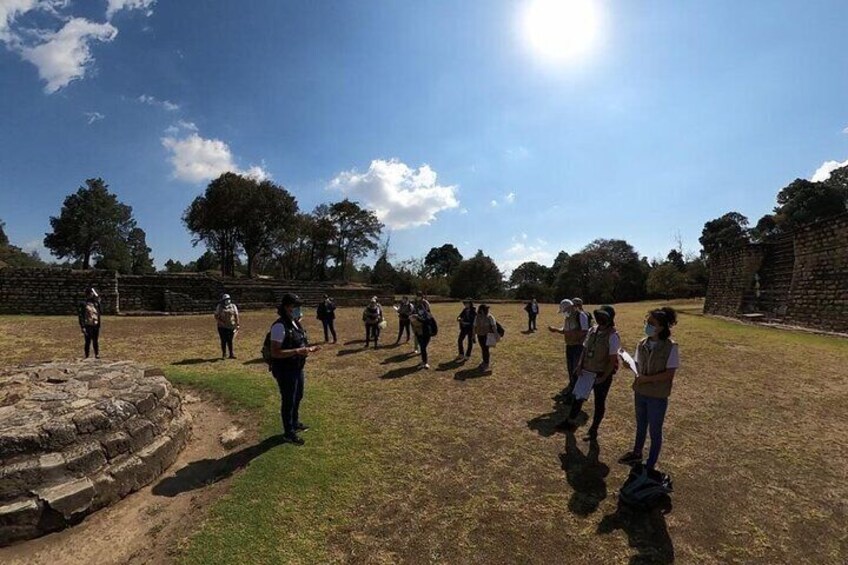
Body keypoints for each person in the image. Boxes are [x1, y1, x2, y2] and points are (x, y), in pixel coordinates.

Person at [619, 307, 680, 470]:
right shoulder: (642, 343)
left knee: (655, 430)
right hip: (640, 392)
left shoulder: (671, 347)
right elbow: (638, 365)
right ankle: (636, 454)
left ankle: (651, 463)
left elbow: (669, 374)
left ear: (662, 327)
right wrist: (628, 364)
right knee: (641, 425)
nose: (648, 326)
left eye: (652, 323)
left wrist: (647, 379)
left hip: (657, 395)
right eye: (647, 322)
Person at [559, 305, 620, 438]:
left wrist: (603, 377)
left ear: (610, 319)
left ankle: (593, 430)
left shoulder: (613, 336)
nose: (600, 319)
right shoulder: (593, 330)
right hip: (586, 371)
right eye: (599, 316)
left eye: (603, 316)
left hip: (600, 374)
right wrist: (580, 365)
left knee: (599, 402)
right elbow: (585, 349)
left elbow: (612, 360)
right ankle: (570, 422)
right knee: (578, 397)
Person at [269, 293, 320, 445]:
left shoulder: (295, 323)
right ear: (287, 307)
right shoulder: (279, 326)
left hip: (297, 368)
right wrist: (297, 351)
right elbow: (275, 352)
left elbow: (298, 343)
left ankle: (295, 422)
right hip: (285, 370)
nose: (298, 309)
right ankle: (288, 432)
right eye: (295, 306)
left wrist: (308, 349)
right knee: (288, 400)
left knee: (298, 396)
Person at [548, 299, 589, 396]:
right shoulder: (568, 318)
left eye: (564, 311)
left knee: (576, 369)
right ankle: (572, 388)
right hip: (569, 346)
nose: (564, 313)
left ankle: (577, 392)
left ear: (570, 308)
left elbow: (585, 331)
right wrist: (556, 330)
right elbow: (565, 330)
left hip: (578, 347)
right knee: (570, 369)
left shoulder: (581, 316)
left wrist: (572, 335)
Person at [78, 287, 102, 359]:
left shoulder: (95, 303)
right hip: (88, 324)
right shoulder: (83, 304)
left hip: (95, 324)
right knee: (87, 341)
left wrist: (98, 301)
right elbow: (81, 316)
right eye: (91, 293)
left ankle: (96, 354)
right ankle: (87, 355)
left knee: (95, 340)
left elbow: (100, 311)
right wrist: (83, 326)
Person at [410, 302, 436, 370]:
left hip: (427, 333)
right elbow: (414, 324)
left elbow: (427, 321)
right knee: (422, 348)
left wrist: (418, 318)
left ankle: (425, 362)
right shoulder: (416, 315)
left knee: (423, 347)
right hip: (419, 334)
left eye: (421, 308)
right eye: (419, 309)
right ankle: (424, 362)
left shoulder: (428, 315)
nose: (420, 310)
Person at [214, 293, 240, 359]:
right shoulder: (219, 306)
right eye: (226, 299)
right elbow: (216, 316)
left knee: (230, 340)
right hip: (221, 327)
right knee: (223, 340)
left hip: (231, 326)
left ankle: (231, 354)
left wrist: (237, 324)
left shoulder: (233, 306)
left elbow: (236, 315)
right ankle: (224, 354)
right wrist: (220, 322)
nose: (227, 301)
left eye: (228, 299)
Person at [474, 303, 498, 371]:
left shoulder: (490, 316)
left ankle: (486, 363)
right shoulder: (477, 317)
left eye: (484, 310)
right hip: (480, 335)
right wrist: (473, 335)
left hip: (487, 335)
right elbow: (474, 326)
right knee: (483, 349)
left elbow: (494, 326)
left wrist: (496, 335)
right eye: (481, 310)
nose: (482, 312)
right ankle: (484, 361)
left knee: (485, 349)